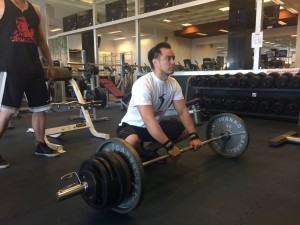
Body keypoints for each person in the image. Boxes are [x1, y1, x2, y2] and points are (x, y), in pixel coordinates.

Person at [116, 42, 202, 161]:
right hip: (133, 126)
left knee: (188, 129)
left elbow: (182, 111)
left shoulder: (173, 84)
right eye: (168, 59)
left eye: (173, 58)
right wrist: (169, 146)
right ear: (155, 62)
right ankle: (137, 152)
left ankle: (150, 149)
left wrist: (194, 136)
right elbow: (148, 119)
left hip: (154, 126)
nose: (173, 62)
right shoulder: (143, 84)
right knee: (132, 141)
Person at [0, 0, 60, 169]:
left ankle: (40, 145)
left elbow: (41, 40)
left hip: (34, 67)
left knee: (41, 108)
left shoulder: (35, 10)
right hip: (10, 67)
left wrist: (50, 64)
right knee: (6, 111)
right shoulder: (2, 4)